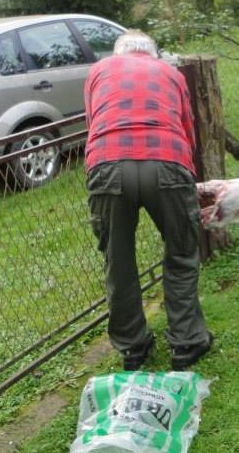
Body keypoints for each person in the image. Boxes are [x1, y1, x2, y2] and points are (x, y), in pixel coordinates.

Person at [84, 30, 213, 371]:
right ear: (153, 54)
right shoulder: (171, 73)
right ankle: (187, 343)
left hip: (108, 165)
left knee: (119, 261)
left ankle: (133, 348)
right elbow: (187, 128)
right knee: (181, 253)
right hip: (168, 161)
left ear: (118, 53)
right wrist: (186, 172)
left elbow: (93, 122)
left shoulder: (98, 71)